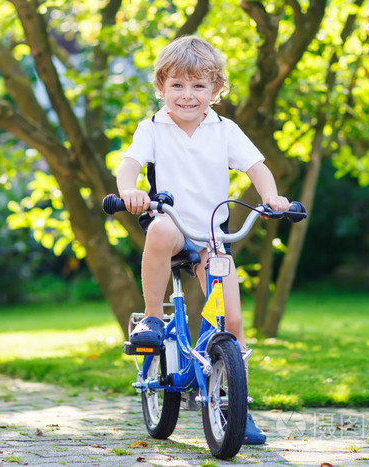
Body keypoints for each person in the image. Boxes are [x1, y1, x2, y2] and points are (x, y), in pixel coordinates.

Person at [116, 35, 290, 444]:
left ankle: (236, 408)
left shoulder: (224, 129)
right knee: (159, 229)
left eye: (198, 86)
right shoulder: (152, 128)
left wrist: (271, 197)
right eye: (176, 85)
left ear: (216, 90)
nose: (187, 95)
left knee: (232, 321)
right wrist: (130, 191)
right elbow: (130, 165)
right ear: (161, 89)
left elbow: (257, 167)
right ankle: (154, 318)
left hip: (213, 234)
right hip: (172, 223)